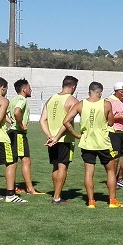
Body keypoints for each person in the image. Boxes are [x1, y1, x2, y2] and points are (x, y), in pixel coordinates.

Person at [55, 81, 123, 208]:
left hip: (87, 143)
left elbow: (66, 121)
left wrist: (75, 134)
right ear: (100, 93)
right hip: (103, 143)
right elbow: (110, 123)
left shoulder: (80, 104)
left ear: (89, 92)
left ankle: (91, 201)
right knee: (110, 171)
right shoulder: (106, 104)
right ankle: (112, 201)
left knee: (88, 172)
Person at [40, 75, 79, 204]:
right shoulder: (72, 100)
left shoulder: (51, 98)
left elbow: (42, 120)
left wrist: (49, 136)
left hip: (51, 139)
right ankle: (56, 197)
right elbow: (67, 122)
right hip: (64, 139)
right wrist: (56, 137)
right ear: (73, 86)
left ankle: (57, 194)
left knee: (55, 167)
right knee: (63, 167)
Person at [8, 78, 44, 195]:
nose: (31, 90)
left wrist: (11, 123)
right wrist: (20, 125)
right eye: (29, 88)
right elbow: (17, 112)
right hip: (18, 134)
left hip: (12, 132)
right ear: (24, 90)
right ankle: (30, 189)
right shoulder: (22, 100)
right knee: (26, 161)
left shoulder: (12, 100)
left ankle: (13, 187)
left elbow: (4, 113)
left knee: (13, 162)